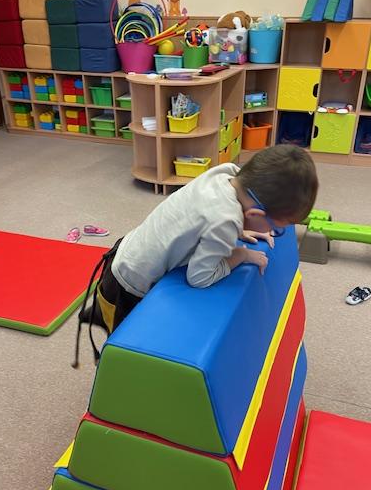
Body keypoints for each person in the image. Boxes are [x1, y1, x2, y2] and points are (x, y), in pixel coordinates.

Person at [73, 145, 318, 366]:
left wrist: (241, 228)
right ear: (254, 214)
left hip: (128, 248)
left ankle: (100, 311)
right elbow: (199, 277)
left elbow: (206, 214)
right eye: (276, 228)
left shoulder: (226, 173)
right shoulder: (225, 221)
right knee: (128, 350)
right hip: (130, 282)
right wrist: (240, 254)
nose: (275, 232)